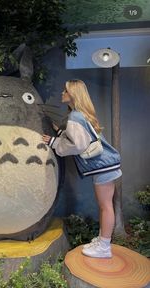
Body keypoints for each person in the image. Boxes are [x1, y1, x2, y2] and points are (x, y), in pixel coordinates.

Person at [42, 79, 122, 258]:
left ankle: (104, 248)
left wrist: (54, 142)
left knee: (105, 207)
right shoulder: (79, 115)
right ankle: (103, 241)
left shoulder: (75, 117)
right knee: (105, 206)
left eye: (66, 90)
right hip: (106, 166)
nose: (62, 93)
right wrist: (60, 132)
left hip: (103, 167)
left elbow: (78, 145)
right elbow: (79, 138)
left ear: (73, 94)